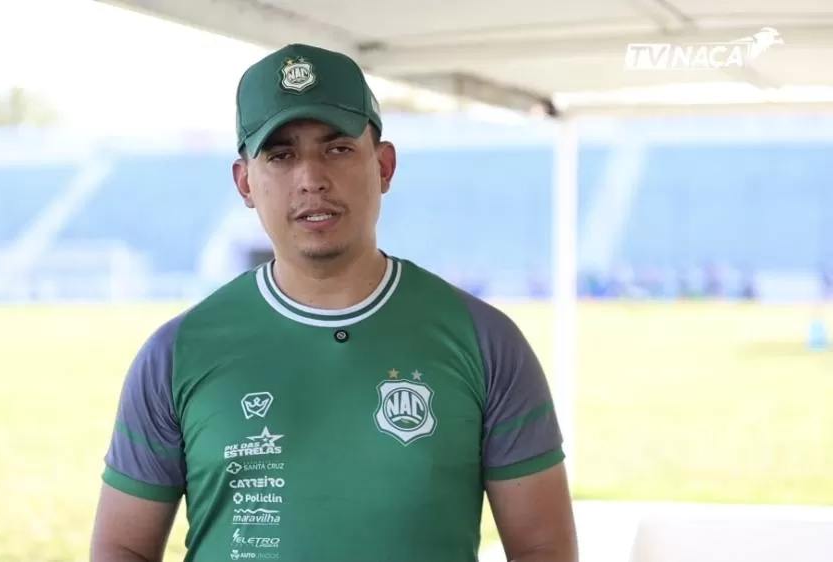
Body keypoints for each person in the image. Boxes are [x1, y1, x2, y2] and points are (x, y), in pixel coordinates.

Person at [89, 42, 578, 562]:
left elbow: (542, 548)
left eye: (338, 148)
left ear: (384, 166)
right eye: (280, 155)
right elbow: (122, 548)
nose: (311, 178)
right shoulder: (175, 354)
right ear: (244, 182)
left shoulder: (485, 342)